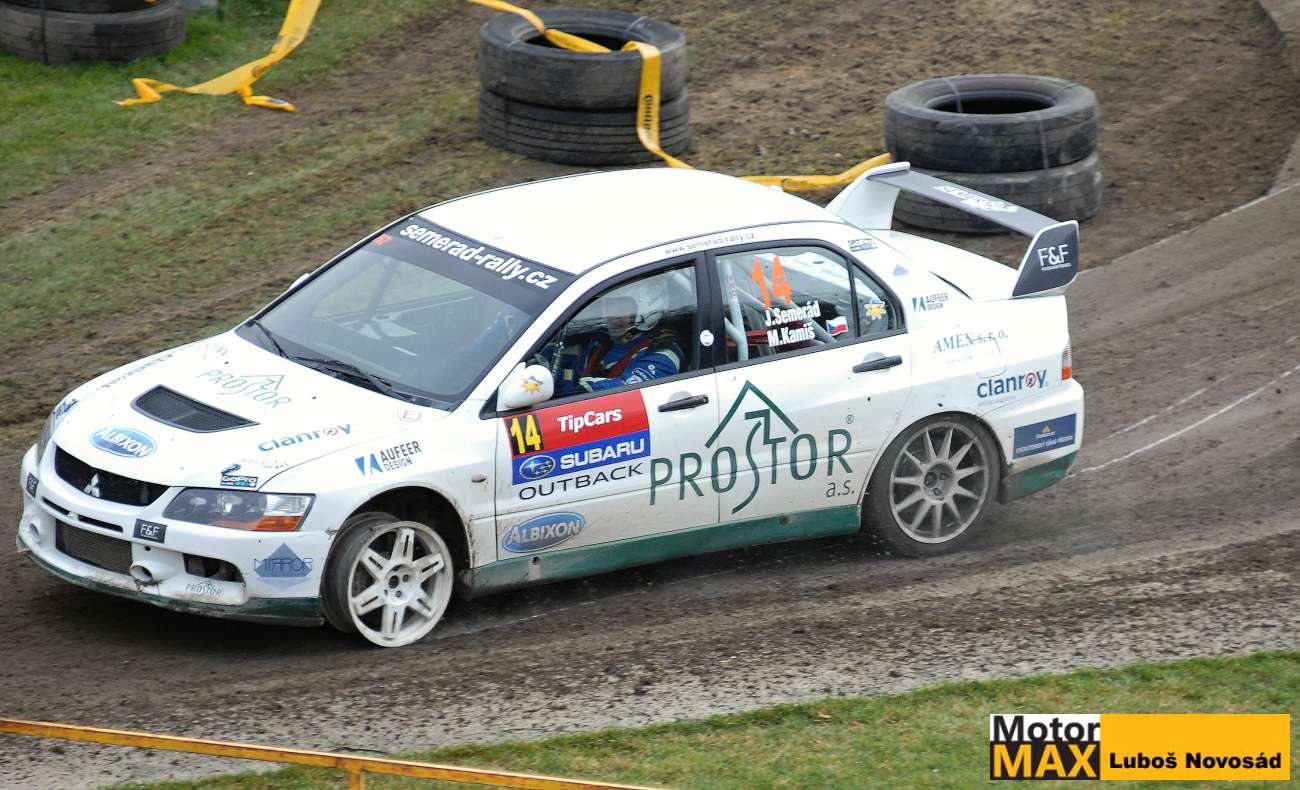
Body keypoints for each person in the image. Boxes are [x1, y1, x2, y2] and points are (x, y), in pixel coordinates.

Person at [547, 278, 684, 396]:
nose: (612, 315)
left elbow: (624, 392)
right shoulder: (600, 339)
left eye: (622, 308)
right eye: (609, 306)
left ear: (646, 311)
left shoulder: (662, 355)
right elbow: (565, 359)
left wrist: (569, 381)